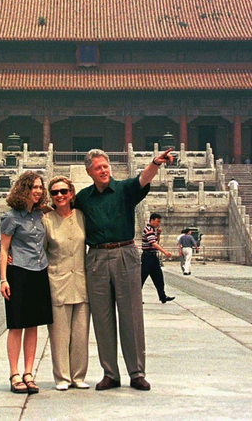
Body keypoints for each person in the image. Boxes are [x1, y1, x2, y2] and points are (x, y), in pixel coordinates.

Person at [74, 146, 173, 392]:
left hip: (125, 253)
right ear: (89, 172)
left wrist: (156, 163)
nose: (103, 170)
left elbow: (143, 179)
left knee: (131, 315)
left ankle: (137, 372)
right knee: (102, 318)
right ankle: (110, 373)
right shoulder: (84, 198)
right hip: (96, 256)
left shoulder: (124, 190)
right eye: (98, 168)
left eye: (105, 166)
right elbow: (63, 210)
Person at [0, 171, 53, 395]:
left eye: (40, 187)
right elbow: (3, 249)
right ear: (24, 189)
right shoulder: (11, 217)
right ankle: (14, 373)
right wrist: (3, 279)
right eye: (34, 187)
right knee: (16, 324)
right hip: (18, 272)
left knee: (33, 324)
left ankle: (29, 373)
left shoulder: (41, 214)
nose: (38, 191)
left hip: (39, 271)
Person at [42, 176, 90, 391]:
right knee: (59, 335)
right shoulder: (46, 220)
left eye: (63, 191)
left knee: (80, 333)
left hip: (81, 280)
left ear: (71, 193)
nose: (59, 195)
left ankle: (78, 376)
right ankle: (62, 377)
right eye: (54, 192)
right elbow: (39, 252)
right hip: (57, 281)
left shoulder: (82, 217)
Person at [141, 213, 175, 303]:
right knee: (142, 278)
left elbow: (156, 241)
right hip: (147, 257)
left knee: (158, 277)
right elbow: (153, 243)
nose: (158, 223)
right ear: (151, 220)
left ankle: (162, 296)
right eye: (157, 221)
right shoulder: (148, 230)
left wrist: (158, 234)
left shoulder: (153, 230)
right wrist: (165, 252)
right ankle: (136, 297)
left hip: (153, 257)